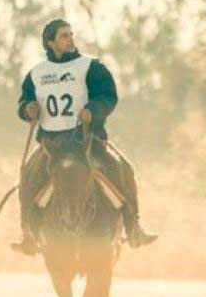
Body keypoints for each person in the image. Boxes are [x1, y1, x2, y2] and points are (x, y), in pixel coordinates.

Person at [12, 18, 158, 255]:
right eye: (64, 36)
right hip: (52, 145)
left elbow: (108, 96)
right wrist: (27, 108)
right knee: (27, 175)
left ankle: (133, 228)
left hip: (86, 142)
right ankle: (28, 234)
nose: (70, 39)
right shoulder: (36, 73)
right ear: (50, 43)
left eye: (71, 34)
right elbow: (23, 100)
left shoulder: (91, 66)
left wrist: (93, 110)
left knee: (124, 168)